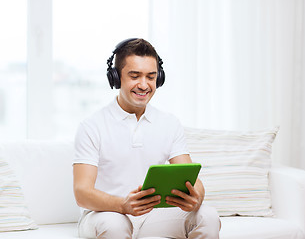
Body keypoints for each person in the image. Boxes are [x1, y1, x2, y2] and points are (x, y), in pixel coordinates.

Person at [73, 38, 220, 239]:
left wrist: (197, 197)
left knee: (208, 216)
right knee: (114, 225)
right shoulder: (92, 126)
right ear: (116, 78)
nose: (144, 85)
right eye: (135, 76)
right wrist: (122, 205)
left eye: (151, 77)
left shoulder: (169, 123)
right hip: (105, 214)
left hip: (153, 217)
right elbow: (82, 193)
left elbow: (193, 179)